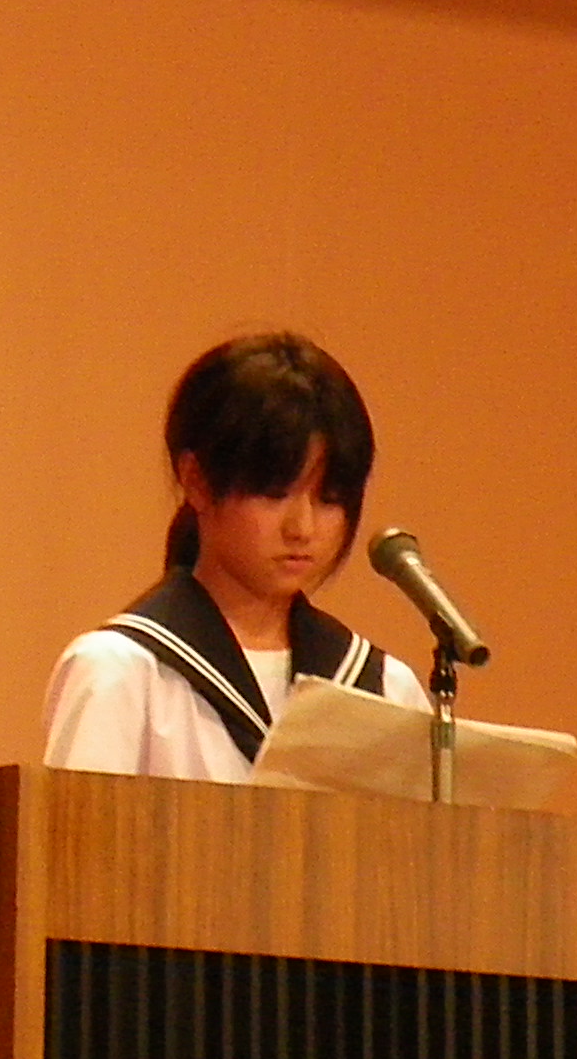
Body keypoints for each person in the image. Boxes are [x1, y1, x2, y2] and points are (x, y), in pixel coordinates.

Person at [43, 332, 435, 782]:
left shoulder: (383, 690)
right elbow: (78, 826)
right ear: (197, 480)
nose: (302, 528)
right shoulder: (122, 673)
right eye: (274, 494)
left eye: (329, 498)